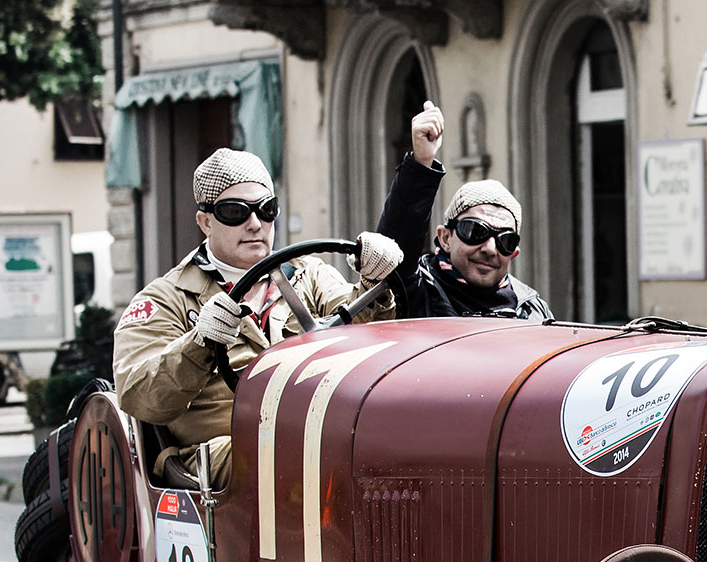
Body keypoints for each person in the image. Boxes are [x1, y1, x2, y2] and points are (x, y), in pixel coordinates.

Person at [113, 147, 404, 488]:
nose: (255, 224)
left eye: (267, 210)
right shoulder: (167, 298)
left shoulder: (308, 275)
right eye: (234, 212)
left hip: (322, 430)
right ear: (205, 221)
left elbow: (370, 339)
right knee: (290, 453)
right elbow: (138, 396)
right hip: (222, 456)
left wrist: (374, 282)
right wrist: (200, 343)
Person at [376, 100, 553, 321]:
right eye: (475, 231)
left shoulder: (533, 310)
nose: (490, 249)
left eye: (505, 241)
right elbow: (391, 253)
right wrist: (421, 162)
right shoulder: (416, 292)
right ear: (445, 238)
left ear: (514, 254)